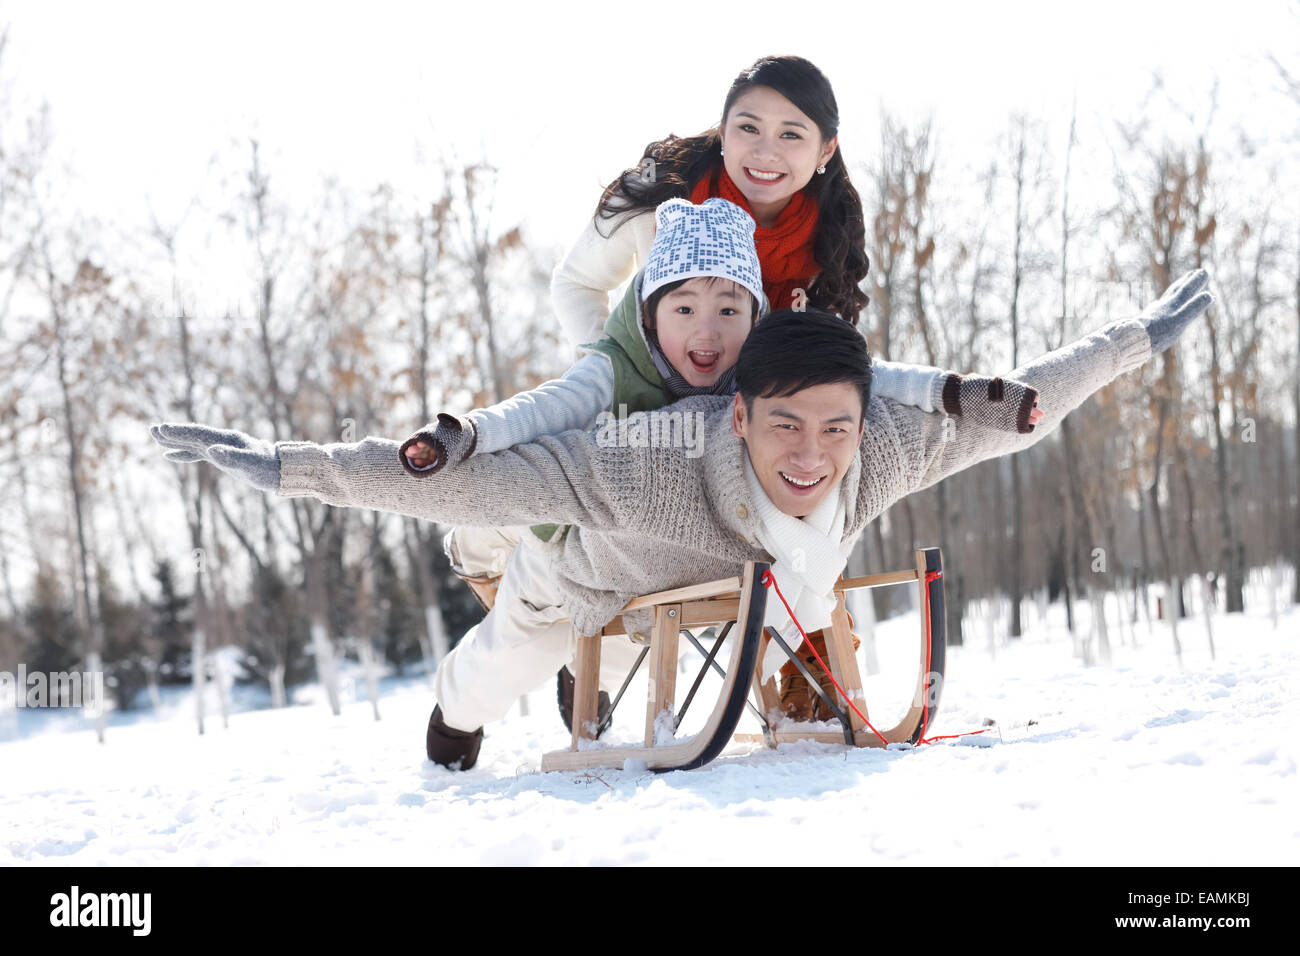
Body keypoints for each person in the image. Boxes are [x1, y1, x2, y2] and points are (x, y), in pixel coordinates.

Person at [151, 272, 1214, 771]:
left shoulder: (879, 447)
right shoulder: (648, 454)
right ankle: (457, 713)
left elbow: (1021, 405)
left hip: (717, 597)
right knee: (502, 662)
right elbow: (462, 480)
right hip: (578, 570)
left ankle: (601, 680)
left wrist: (1135, 340)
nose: (810, 455)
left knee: (624, 663)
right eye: (784, 424)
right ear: (737, 413)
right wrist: (287, 467)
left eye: (832, 428)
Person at [406, 196, 1038, 728]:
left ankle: (761, 685)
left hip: (666, 556)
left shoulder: (757, 366)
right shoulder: (610, 367)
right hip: (571, 542)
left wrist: (957, 393)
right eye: (684, 310)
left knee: (642, 636)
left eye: (729, 311)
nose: (707, 335)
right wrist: (463, 433)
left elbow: (865, 374)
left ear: (755, 315)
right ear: (652, 313)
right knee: (510, 651)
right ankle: (453, 719)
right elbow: (541, 410)